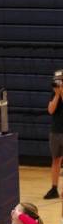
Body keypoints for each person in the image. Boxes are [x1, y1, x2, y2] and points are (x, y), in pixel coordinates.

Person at [44, 69, 63, 200]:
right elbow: (50, 110)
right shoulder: (54, 93)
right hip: (56, 131)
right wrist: (57, 95)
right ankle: (54, 188)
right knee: (56, 159)